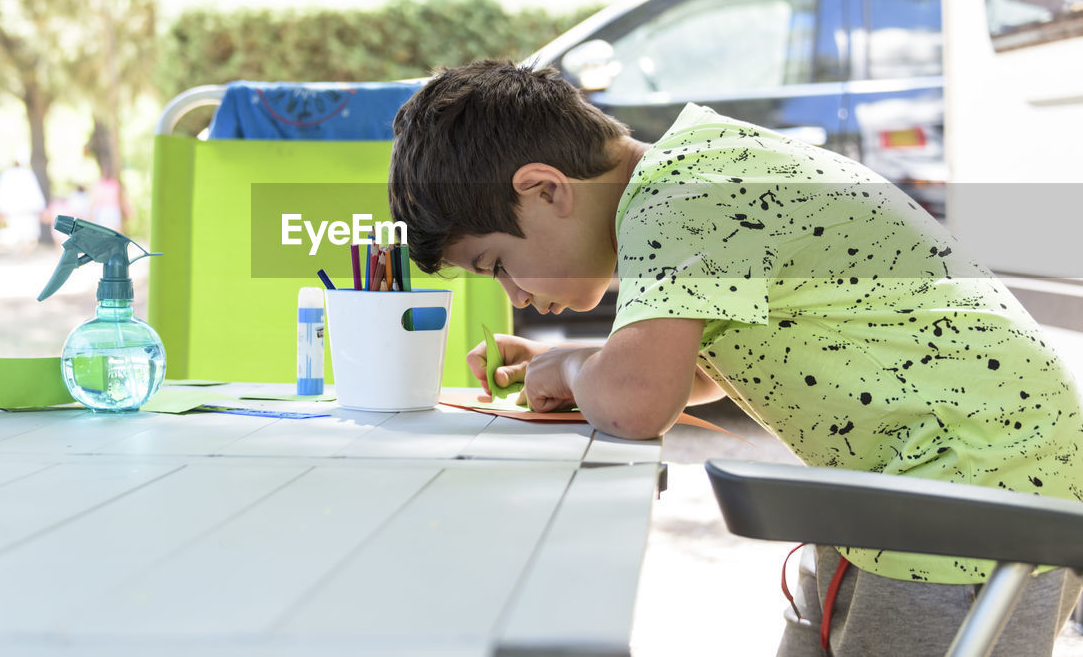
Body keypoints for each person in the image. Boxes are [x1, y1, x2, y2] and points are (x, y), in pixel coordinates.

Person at [387, 60, 1083, 656]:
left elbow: (637, 401)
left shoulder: (680, 196)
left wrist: (576, 371)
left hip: (978, 489)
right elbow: (697, 370)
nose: (515, 292)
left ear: (546, 190)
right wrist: (578, 360)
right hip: (915, 486)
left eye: (499, 264)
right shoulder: (693, 177)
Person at [0, 160, 46, 253]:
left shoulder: (6, 175)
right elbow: (35, 192)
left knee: (24, 237)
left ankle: (22, 255)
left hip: (16, 212)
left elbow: (1, 193)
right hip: (25, 212)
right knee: (27, 237)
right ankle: (24, 254)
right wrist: (41, 208)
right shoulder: (28, 174)